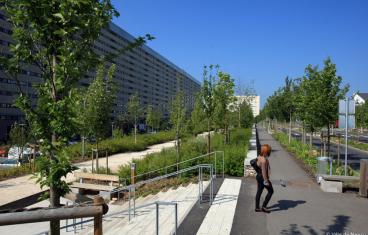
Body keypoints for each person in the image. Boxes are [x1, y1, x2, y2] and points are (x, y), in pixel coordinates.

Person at [255, 144, 274, 213]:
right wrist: (266, 181)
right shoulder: (263, 160)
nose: (269, 152)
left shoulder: (259, 157)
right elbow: (263, 172)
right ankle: (264, 207)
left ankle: (257, 208)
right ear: (265, 152)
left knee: (259, 192)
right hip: (263, 178)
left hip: (258, 177)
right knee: (271, 191)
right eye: (269, 151)